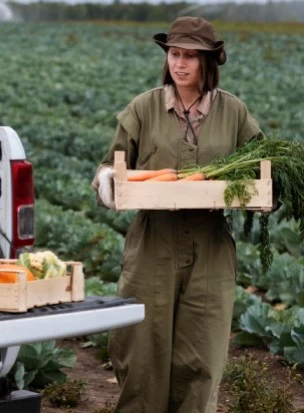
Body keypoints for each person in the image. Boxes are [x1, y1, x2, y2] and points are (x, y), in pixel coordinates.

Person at [92, 17, 264, 412]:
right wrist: (109, 182)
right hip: (153, 243)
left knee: (201, 356)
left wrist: (260, 195)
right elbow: (107, 167)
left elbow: (260, 166)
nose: (180, 64)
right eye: (174, 54)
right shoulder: (144, 108)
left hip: (210, 247)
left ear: (208, 62)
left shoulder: (234, 112)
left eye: (190, 56)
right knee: (142, 352)